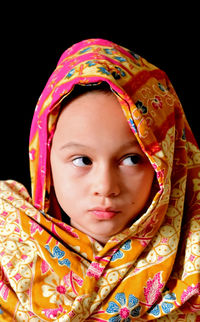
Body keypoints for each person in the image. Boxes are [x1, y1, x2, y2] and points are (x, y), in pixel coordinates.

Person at [0, 38, 199, 321]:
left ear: (165, 165)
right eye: (82, 160)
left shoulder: (193, 259)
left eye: (132, 159)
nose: (105, 187)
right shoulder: (6, 238)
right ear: (44, 160)